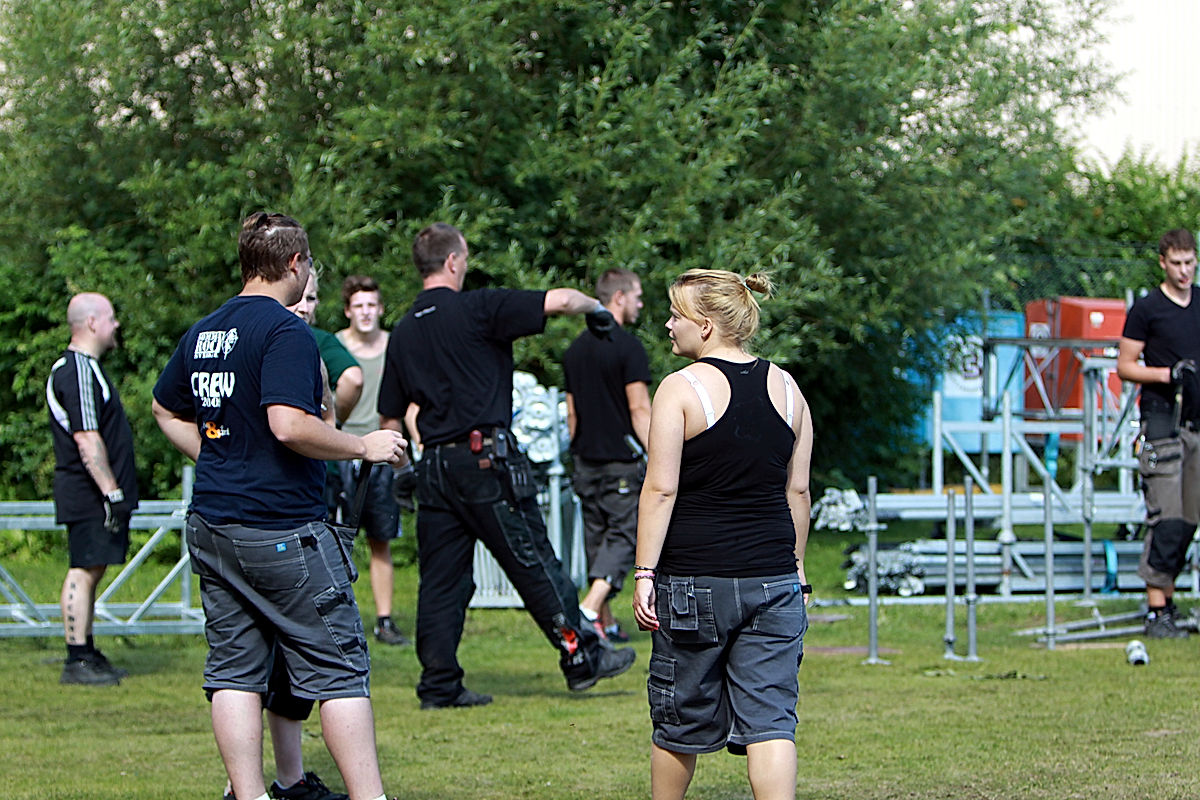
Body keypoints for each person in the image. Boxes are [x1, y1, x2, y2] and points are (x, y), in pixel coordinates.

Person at [152, 211, 405, 800]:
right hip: (281, 530)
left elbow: (165, 409)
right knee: (341, 668)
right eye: (310, 263)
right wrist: (362, 445)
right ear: (295, 264)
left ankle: (250, 794)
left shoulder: (205, 330)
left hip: (213, 525)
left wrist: (217, 461)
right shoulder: (286, 331)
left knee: (235, 669)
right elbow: (290, 425)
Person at [377, 221, 636, 709]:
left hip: (433, 467)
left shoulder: (405, 330)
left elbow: (390, 416)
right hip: (485, 462)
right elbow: (559, 300)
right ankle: (582, 656)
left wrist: (400, 471)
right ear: (454, 261)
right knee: (534, 561)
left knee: (441, 581)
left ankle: (439, 684)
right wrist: (598, 310)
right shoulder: (479, 307)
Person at [631, 269, 813, 800]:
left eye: (676, 315)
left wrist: (644, 574)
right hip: (775, 581)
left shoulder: (680, 389)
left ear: (706, 326)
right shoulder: (788, 387)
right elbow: (797, 493)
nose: (668, 325)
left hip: (693, 582)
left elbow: (659, 491)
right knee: (772, 722)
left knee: (679, 721)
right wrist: (797, 569)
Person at [46, 292, 138, 686]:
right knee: (82, 569)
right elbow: (87, 437)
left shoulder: (89, 369)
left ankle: (86, 648)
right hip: (87, 492)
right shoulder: (76, 370)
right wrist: (111, 492)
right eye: (111, 318)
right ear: (92, 323)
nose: (116, 325)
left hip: (95, 491)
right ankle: (76, 658)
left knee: (93, 568)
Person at [1117, 227, 1200, 639]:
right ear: (1163, 263)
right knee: (1166, 515)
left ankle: (1168, 601)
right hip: (1163, 418)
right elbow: (1125, 365)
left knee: (1189, 519)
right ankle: (1156, 610)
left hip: (1197, 423)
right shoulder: (1147, 309)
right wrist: (1168, 374)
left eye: (1190, 262)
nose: (1185, 272)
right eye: (1177, 264)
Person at [563, 268, 652, 643]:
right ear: (619, 298)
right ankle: (586, 611)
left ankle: (606, 624)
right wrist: (660, 452)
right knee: (625, 536)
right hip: (621, 459)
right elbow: (639, 410)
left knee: (596, 540)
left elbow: (571, 413)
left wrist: (577, 449)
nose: (640, 304)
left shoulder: (574, 350)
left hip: (584, 459)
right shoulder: (629, 348)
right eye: (637, 296)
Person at [336, 274, 410, 646]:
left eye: (372, 305)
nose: (366, 312)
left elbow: (411, 400)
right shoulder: (333, 347)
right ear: (348, 311)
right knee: (333, 539)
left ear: (381, 309)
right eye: (358, 306)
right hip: (338, 451)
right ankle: (335, 617)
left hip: (382, 454)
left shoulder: (396, 346)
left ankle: (384, 620)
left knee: (382, 539)